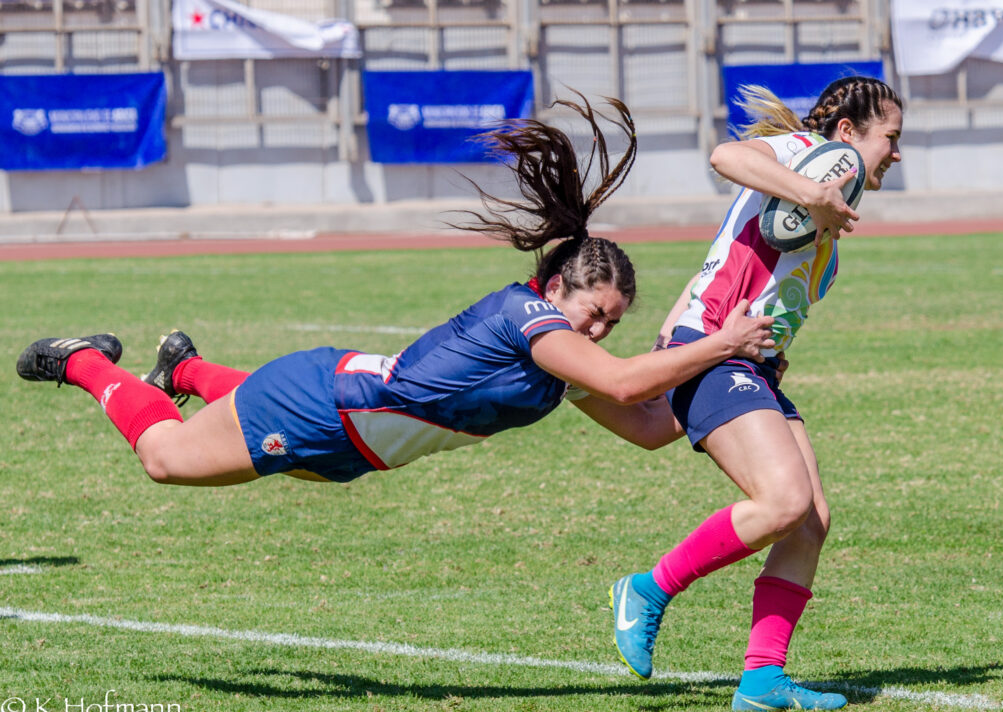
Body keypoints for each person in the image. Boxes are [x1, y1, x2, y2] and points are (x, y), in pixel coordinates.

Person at [17, 94, 774, 488]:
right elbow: (622, 379)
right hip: (323, 406)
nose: (600, 332)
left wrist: (728, 370)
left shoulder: (560, 366)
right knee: (168, 460)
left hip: (354, 433)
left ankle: (183, 369)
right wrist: (719, 342)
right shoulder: (529, 316)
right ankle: (85, 360)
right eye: (594, 313)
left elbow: (647, 425)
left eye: (612, 323)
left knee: (226, 429)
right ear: (554, 288)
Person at [609, 76, 904, 712]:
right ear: (848, 135)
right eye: (892, 137)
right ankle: (647, 589)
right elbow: (725, 157)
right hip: (717, 352)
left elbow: (719, 263)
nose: (897, 153)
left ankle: (763, 678)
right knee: (782, 500)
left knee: (808, 520)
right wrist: (814, 192)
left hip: (751, 365)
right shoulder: (801, 155)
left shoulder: (821, 222)